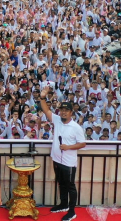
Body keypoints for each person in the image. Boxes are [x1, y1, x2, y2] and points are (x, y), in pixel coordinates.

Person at [40, 87, 86, 221]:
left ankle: (72, 211)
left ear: (71, 112)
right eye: (62, 110)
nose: (64, 112)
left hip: (69, 162)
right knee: (61, 183)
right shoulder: (57, 120)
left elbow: (82, 144)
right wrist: (43, 97)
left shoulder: (76, 127)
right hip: (56, 159)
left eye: (66, 110)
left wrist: (68, 147)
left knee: (70, 186)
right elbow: (46, 110)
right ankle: (63, 204)